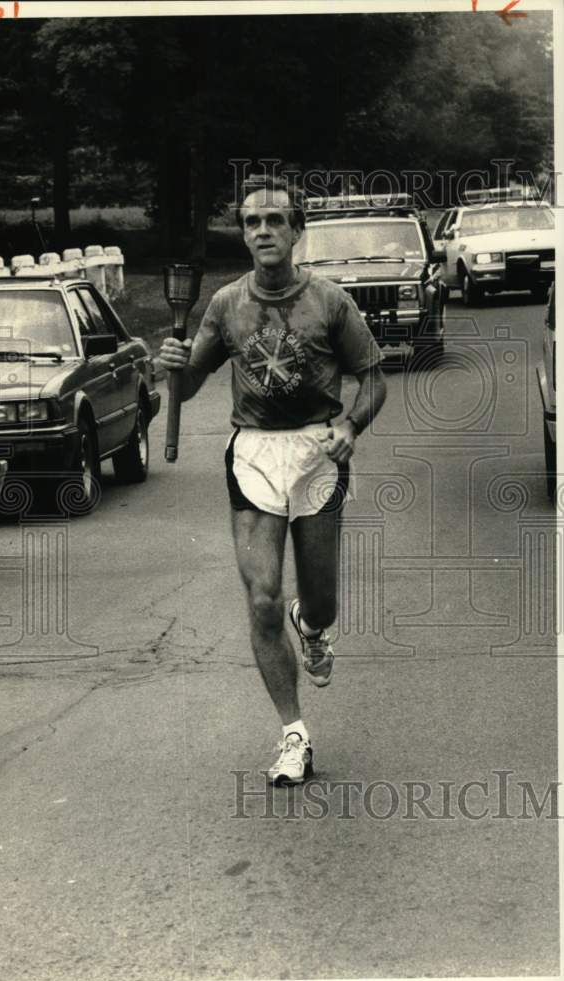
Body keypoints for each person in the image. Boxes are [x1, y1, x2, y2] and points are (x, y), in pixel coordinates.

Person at [159, 177, 387, 785]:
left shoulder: (332, 301)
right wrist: (171, 369)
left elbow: (373, 378)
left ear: (295, 230)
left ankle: (311, 627)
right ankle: (294, 734)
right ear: (243, 233)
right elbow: (186, 387)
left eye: (275, 221)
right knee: (260, 599)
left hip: (317, 452)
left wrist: (351, 427)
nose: (263, 231)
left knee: (320, 600)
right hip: (254, 454)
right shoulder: (226, 304)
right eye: (252, 222)